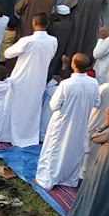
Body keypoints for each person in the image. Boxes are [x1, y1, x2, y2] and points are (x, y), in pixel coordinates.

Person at [36, 54, 100, 189]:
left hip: (62, 122)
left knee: (54, 150)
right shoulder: (93, 83)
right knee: (74, 151)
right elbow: (96, 103)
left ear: (73, 64)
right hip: (81, 122)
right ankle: (69, 179)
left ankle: (46, 180)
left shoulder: (66, 84)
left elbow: (54, 105)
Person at [1, 13, 58, 147]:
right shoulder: (53, 41)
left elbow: (7, 53)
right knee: (32, 107)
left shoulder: (28, 41)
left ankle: (9, 134)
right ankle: (28, 135)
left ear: (34, 23)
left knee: (15, 105)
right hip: (39, 79)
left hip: (22, 77)